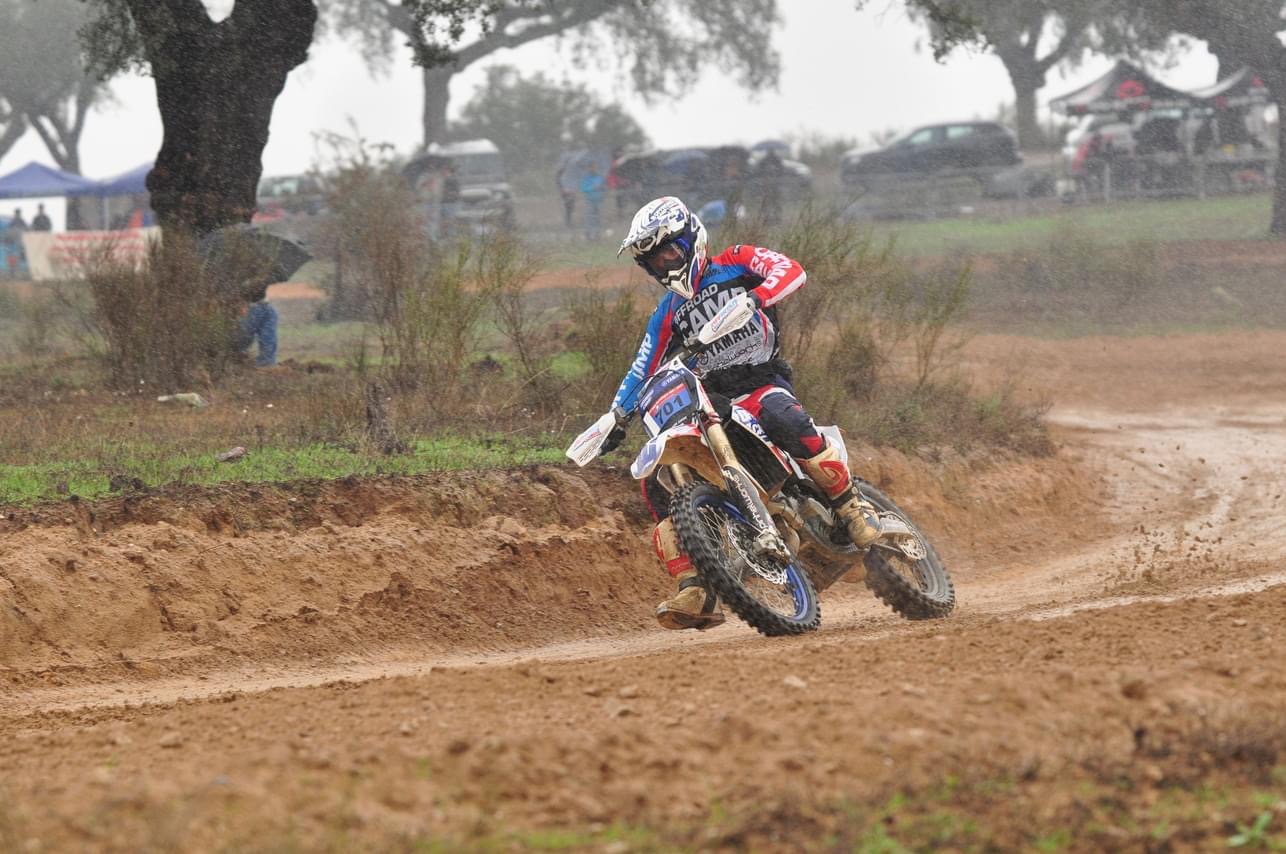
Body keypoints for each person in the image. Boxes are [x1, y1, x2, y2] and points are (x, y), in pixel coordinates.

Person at [598, 196, 883, 630]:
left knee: (780, 415)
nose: (664, 264)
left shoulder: (736, 261)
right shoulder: (667, 313)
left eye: (669, 251)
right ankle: (696, 585)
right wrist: (615, 417)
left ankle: (850, 507)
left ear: (691, 239)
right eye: (654, 261)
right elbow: (643, 365)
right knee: (658, 480)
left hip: (760, 379)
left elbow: (791, 270)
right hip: (713, 399)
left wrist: (756, 297)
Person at [234, 277, 278, 368]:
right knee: (243, 339)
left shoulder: (263, 271)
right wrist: (241, 304)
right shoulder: (242, 271)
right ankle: (236, 358)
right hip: (248, 306)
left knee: (267, 335)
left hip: (262, 305)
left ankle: (266, 363)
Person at [580, 161, 605, 241]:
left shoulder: (599, 177)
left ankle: (597, 235)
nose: (594, 169)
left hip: (599, 201)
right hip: (590, 201)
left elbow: (603, 187)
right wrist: (592, 188)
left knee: (598, 219)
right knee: (590, 218)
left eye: (595, 167)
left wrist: (602, 189)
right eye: (592, 167)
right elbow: (583, 189)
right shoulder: (586, 178)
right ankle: (589, 235)